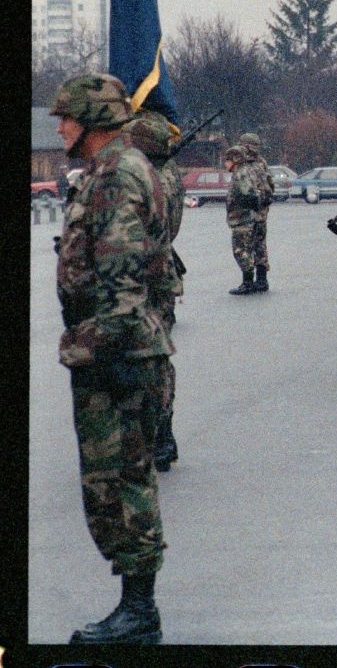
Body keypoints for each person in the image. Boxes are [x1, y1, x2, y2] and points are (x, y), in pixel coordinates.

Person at [52, 74, 175, 645]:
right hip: (108, 343)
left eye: (68, 118)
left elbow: (122, 270)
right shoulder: (112, 171)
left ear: (93, 119)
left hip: (116, 347)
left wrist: (110, 349)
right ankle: (134, 605)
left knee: (122, 479)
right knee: (114, 479)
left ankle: (139, 613)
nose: (60, 128)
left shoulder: (119, 174)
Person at [123, 111, 185, 473]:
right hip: (156, 275)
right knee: (153, 359)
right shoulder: (165, 175)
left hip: (150, 278)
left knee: (153, 361)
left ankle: (161, 435)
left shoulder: (154, 180)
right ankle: (157, 434)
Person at [224, 146, 265, 295]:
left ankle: (247, 283)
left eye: (227, 160)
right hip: (247, 218)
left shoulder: (240, 174)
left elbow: (248, 194)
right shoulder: (245, 171)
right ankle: (250, 281)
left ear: (235, 160)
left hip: (242, 219)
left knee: (240, 250)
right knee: (247, 249)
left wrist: (243, 208)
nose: (225, 164)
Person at [236, 133, 274, 292]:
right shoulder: (262, 163)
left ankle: (248, 282)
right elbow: (270, 186)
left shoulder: (245, 165)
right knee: (260, 245)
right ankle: (262, 279)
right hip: (262, 212)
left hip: (249, 212)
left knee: (244, 246)